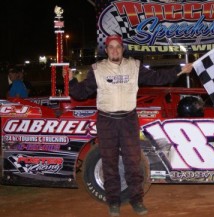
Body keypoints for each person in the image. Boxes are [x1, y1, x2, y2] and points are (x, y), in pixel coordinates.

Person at [67, 35, 193, 216]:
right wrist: (70, 80)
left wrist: (180, 70)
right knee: (109, 163)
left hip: (128, 120)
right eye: (111, 47)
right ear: (106, 50)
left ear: (122, 49)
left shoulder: (134, 66)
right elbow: (80, 93)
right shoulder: (97, 70)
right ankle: (113, 203)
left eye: (118, 47)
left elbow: (158, 78)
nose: (115, 50)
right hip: (106, 121)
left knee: (133, 163)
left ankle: (137, 201)